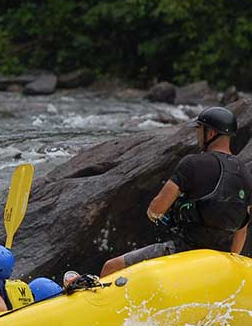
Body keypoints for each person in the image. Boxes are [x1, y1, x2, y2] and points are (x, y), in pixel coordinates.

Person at [100, 106, 252, 277]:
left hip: (184, 249)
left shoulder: (192, 163)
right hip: (221, 256)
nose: (198, 136)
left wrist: (160, 215)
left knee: (111, 267)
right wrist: (231, 261)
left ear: (210, 134)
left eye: (200, 130)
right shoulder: (245, 173)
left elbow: (156, 209)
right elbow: (242, 229)